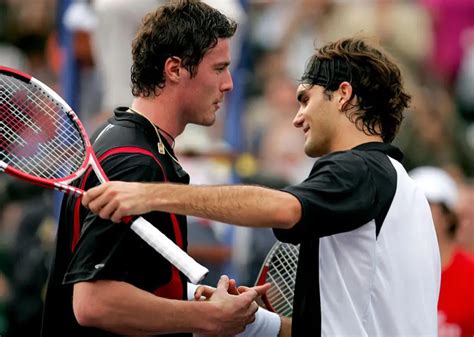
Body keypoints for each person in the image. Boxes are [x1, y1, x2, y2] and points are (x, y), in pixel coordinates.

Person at [83, 36, 442, 336]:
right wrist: (251, 321)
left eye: (306, 98)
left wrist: (148, 194)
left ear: (343, 94)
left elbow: (282, 208)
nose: (298, 117)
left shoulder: (360, 167)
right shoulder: (402, 189)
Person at [40, 1, 286, 336]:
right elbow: (93, 302)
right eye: (218, 68)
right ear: (174, 69)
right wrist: (206, 318)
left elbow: (132, 277)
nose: (228, 84)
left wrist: (191, 298)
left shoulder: (125, 138)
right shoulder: (135, 162)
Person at [410, 166, 474, 337]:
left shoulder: (470, 273)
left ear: (448, 217)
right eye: (409, 202)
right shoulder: (394, 271)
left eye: (426, 202)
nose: (414, 209)